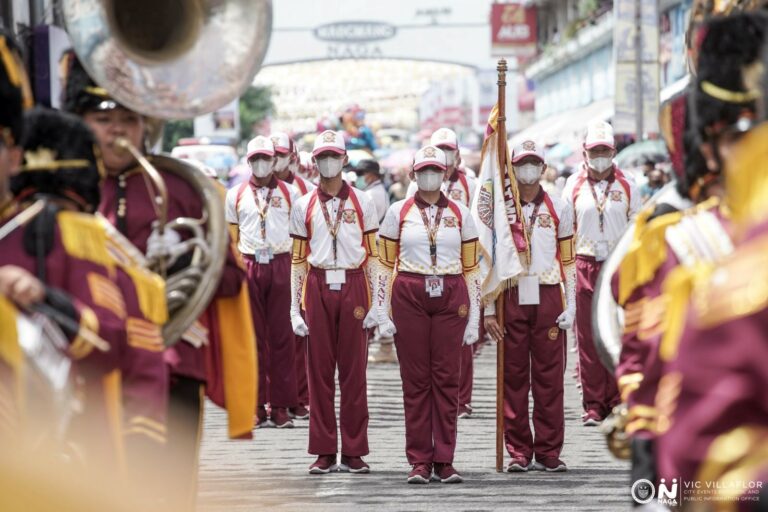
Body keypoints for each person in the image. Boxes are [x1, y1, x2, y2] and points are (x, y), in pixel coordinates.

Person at [63, 52, 256, 510]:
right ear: (80, 122)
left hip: (172, 362)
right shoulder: (64, 192)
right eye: (102, 118)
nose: (118, 131)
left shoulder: (185, 189)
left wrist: (186, 257)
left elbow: (230, 279)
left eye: (130, 119)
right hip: (85, 364)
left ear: (146, 124)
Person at [376, 145, 482, 484]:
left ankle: (445, 459)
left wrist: (475, 316)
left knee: (448, 376)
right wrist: (382, 311)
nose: (430, 177)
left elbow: (472, 268)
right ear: (413, 175)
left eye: (436, 171)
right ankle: (420, 459)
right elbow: (382, 264)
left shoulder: (462, 213)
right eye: (423, 171)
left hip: (451, 292)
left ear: (446, 175)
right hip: (409, 290)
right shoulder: (398, 211)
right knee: (416, 379)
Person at [289, 130, 382, 474]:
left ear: (344, 160)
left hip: (354, 283)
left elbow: (373, 256)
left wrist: (378, 304)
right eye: (322, 157)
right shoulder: (303, 205)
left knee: (354, 372)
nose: (328, 162)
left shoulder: (363, 201)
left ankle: (355, 450)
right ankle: (324, 450)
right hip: (317, 284)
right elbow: (298, 259)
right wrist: (293, 308)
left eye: (334, 156)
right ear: (314, 162)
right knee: (319, 372)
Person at [484, 140, 575, 473]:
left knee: (550, 378)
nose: (528, 170)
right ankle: (518, 450)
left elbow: (568, 259)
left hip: (548, 292)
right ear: (511, 168)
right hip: (511, 293)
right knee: (514, 376)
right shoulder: (501, 210)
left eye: (534, 164)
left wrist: (573, 304)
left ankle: (549, 450)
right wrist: (489, 308)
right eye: (521, 164)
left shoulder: (560, 207)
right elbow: (488, 259)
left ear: (543, 168)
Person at [562, 120, 642, 426]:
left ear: (613, 151)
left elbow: (637, 227)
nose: (599, 156)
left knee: (618, 332)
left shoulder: (627, 184)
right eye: (594, 151)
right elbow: (565, 230)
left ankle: (618, 399)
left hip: (618, 265)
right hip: (583, 263)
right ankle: (593, 403)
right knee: (587, 336)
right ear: (584, 152)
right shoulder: (573, 185)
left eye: (604, 151)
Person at [226, 135, 299, 428]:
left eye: (265, 159)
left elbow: (299, 233)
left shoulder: (292, 193)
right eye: (255, 159)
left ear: (273, 161)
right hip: (250, 263)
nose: (260, 164)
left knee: (282, 338)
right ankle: (256, 406)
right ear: (248, 162)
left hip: (282, 262)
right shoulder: (235, 194)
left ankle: (281, 408)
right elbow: (231, 239)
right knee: (251, 337)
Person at [407, 127, 479, 419]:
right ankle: (432, 397)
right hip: (425, 270)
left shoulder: (471, 183)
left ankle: (462, 397)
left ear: (458, 153)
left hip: (460, 267)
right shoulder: (416, 188)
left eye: (449, 150)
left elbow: (479, 226)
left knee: (461, 342)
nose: (446, 156)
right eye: (440, 149)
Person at [270, 132, 314, 420]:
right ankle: (270, 399)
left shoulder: (305, 190)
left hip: (296, 264)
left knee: (298, 335)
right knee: (269, 336)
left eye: (280, 155)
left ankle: (300, 396)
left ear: (292, 156)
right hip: (265, 264)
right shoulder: (248, 191)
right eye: (269, 155)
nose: (273, 161)